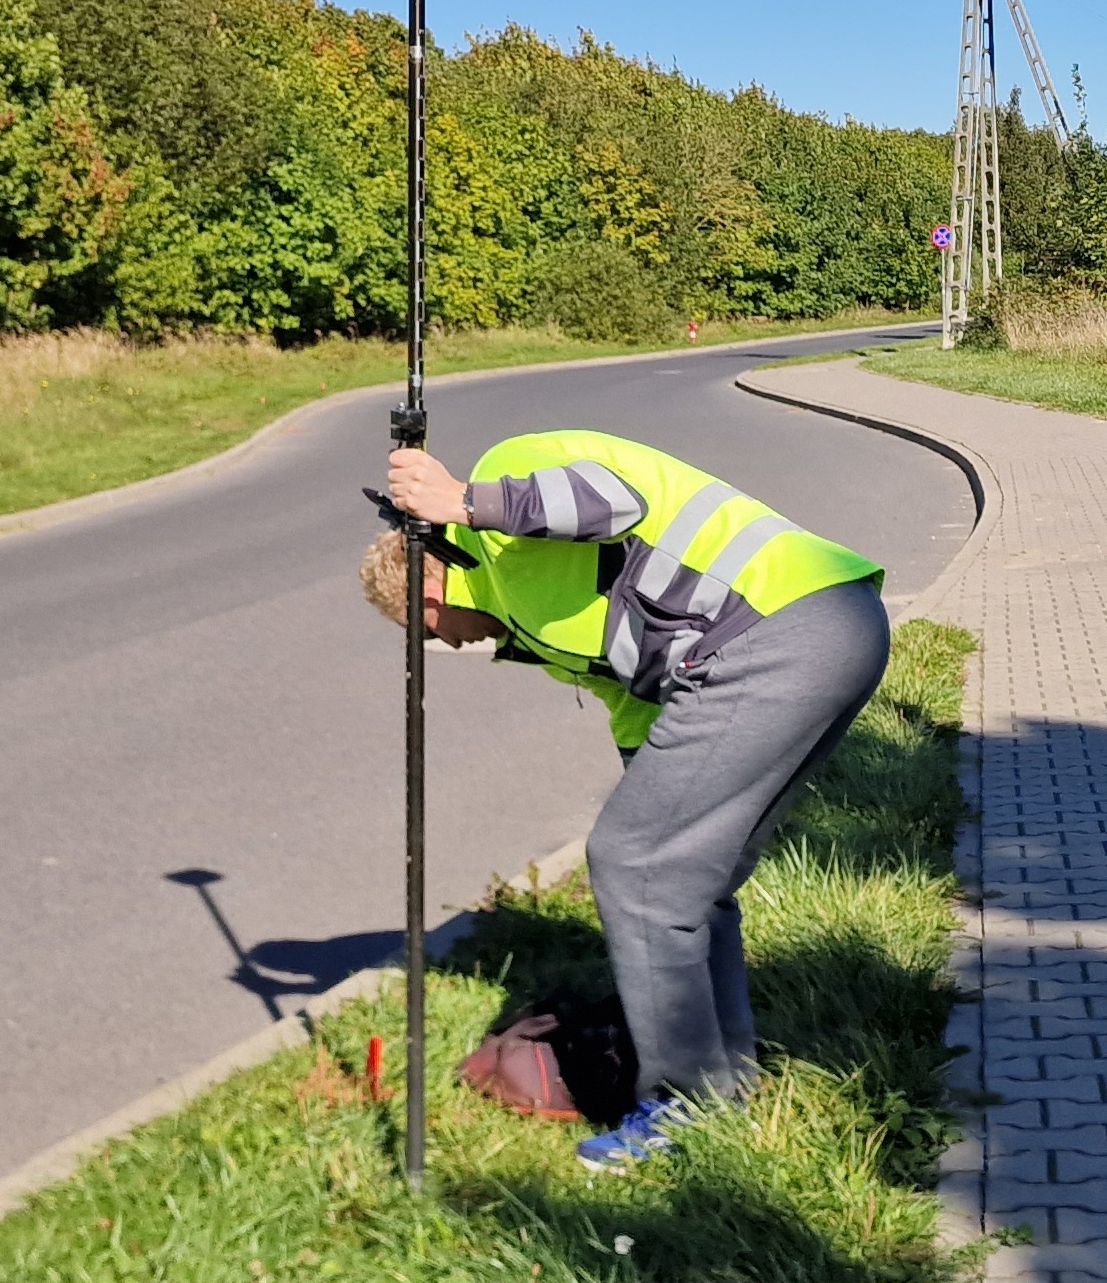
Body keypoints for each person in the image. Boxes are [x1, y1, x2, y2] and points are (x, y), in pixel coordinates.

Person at [365, 430, 890, 1173]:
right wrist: (661, 802)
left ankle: (687, 1104)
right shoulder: (534, 625)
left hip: (775, 631)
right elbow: (640, 711)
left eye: (427, 632)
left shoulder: (500, 496)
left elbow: (611, 500)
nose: (446, 646)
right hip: (826, 631)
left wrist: (460, 501)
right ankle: (724, 1085)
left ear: (426, 588)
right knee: (687, 879)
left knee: (633, 864)